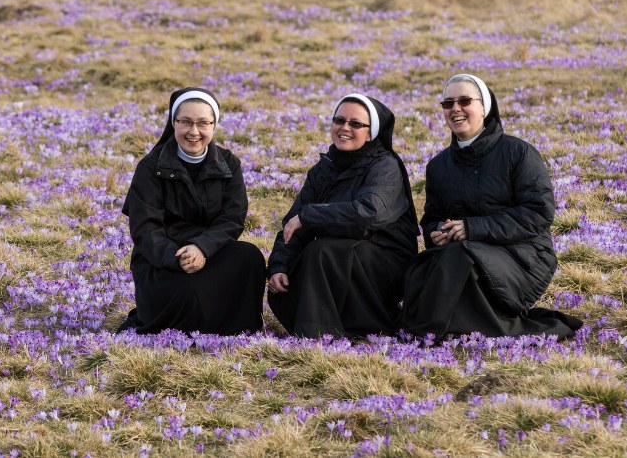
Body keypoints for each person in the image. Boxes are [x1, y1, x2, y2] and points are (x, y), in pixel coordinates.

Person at [399, 74, 582, 340]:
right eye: (448, 103)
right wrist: (437, 231)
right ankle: (450, 328)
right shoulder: (438, 166)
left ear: (484, 107)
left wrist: (472, 228)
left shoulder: (518, 153)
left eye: (464, 101)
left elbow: (538, 213)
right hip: (465, 253)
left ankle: (429, 331)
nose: (455, 109)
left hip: (525, 257)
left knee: (457, 257)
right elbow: (432, 219)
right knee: (426, 263)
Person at [267, 94, 419, 338]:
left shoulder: (385, 166)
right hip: (344, 254)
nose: (344, 128)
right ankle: (333, 329)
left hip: (385, 261)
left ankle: (317, 336)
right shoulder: (324, 168)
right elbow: (293, 224)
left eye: (356, 124)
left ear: (371, 133)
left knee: (323, 251)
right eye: (339, 120)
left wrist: (310, 217)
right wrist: (278, 266)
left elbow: (368, 215)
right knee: (292, 275)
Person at [119, 87, 265, 335]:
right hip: (160, 261)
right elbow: (145, 229)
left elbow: (232, 219)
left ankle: (237, 329)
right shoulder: (150, 167)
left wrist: (202, 247)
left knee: (249, 257)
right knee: (189, 292)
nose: (194, 132)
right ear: (174, 122)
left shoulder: (229, 164)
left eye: (202, 123)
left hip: (209, 253)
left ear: (213, 125)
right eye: (185, 122)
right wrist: (177, 258)